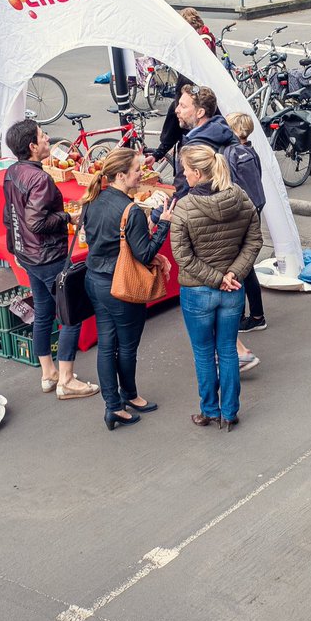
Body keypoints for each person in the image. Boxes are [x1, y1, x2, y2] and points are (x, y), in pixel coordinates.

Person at [2, 120, 100, 400]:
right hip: (47, 256)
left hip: (28, 254)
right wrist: (68, 217)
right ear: (32, 146)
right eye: (43, 136)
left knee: (44, 313)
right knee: (71, 316)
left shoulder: (12, 172)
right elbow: (35, 221)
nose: (47, 139)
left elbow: (9, 217)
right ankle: (66, 379)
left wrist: (16, 251)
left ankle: (49, 373)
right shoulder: (40, 179)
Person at [80, 147, 173, 431]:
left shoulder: (91, 200)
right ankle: (128, 395)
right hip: (121, 286)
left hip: (95, 280)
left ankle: (114, 406)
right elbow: (143, 254)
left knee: (107, 345)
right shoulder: (129, 211)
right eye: (136, 169)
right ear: (121, 175)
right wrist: (163, 226)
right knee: (127, 346)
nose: (141, 173)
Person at [172, 145, 262, 431]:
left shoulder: (185, 206)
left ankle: (209, 410)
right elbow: (254, 241)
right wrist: (232, 273)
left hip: (197, 290)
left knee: (203, 352)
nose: (183, 174)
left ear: (198, 173)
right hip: (233, 290)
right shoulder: (241, 198)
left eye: (185, 169)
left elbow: (182, 255)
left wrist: (214, 278)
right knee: (227, 350)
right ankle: (230, 411)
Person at [147, 7, 216, 162]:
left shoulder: (199, 41)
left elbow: (199, 65)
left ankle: (164, 150)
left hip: (192, 86)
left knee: (176, 113)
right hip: (196, 88)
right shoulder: (204, 36)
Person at [226, 111, 269, 342]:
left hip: (242, 213)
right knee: (248, 265)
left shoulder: (230, 153)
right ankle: (256, 314)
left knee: (242, 267)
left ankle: (250, 316)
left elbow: (230, 185)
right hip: (256, 207)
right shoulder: (250, 151)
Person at [171, 84, 238, 200]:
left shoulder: (194, 149)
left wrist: (156, 214)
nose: (177, 110)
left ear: (200, 112)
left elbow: (181, 192)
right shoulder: (225, 131)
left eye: (183, 106)